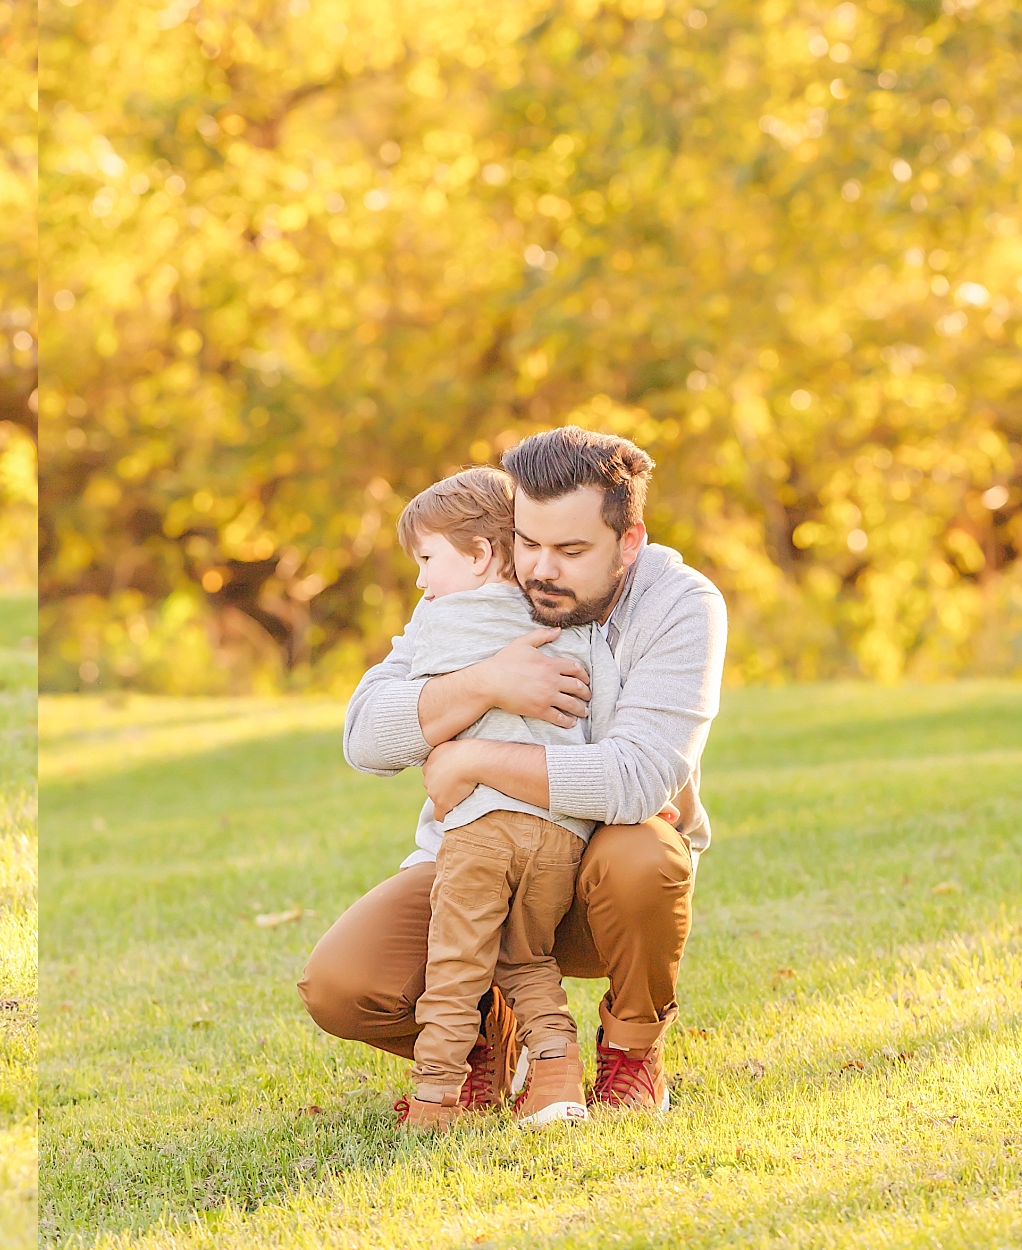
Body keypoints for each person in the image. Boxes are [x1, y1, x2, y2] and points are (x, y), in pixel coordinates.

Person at [300, 427, 726, 1114]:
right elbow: (367, 738)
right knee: (342, 984)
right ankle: (489, 1036)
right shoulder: (473, 580)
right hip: (475, 863)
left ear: (629, 541)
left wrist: (471, 756)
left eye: (571, 550)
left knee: (645, 853)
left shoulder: (680, 604)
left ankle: (632, 1052)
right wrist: (487, 682)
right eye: (529, 542)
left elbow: (636, 781)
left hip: (599, 885)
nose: (541, 570)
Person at [385, 468, 614, 1130]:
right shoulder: (564, 614)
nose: (422, 583)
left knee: (455, 969)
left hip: (482, 829)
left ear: (482, 553)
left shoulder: (439, 622)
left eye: (428, 560)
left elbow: (393, 725)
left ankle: (435, 1102)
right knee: (523, 954)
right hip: (559, 830)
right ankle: (558, 1075)